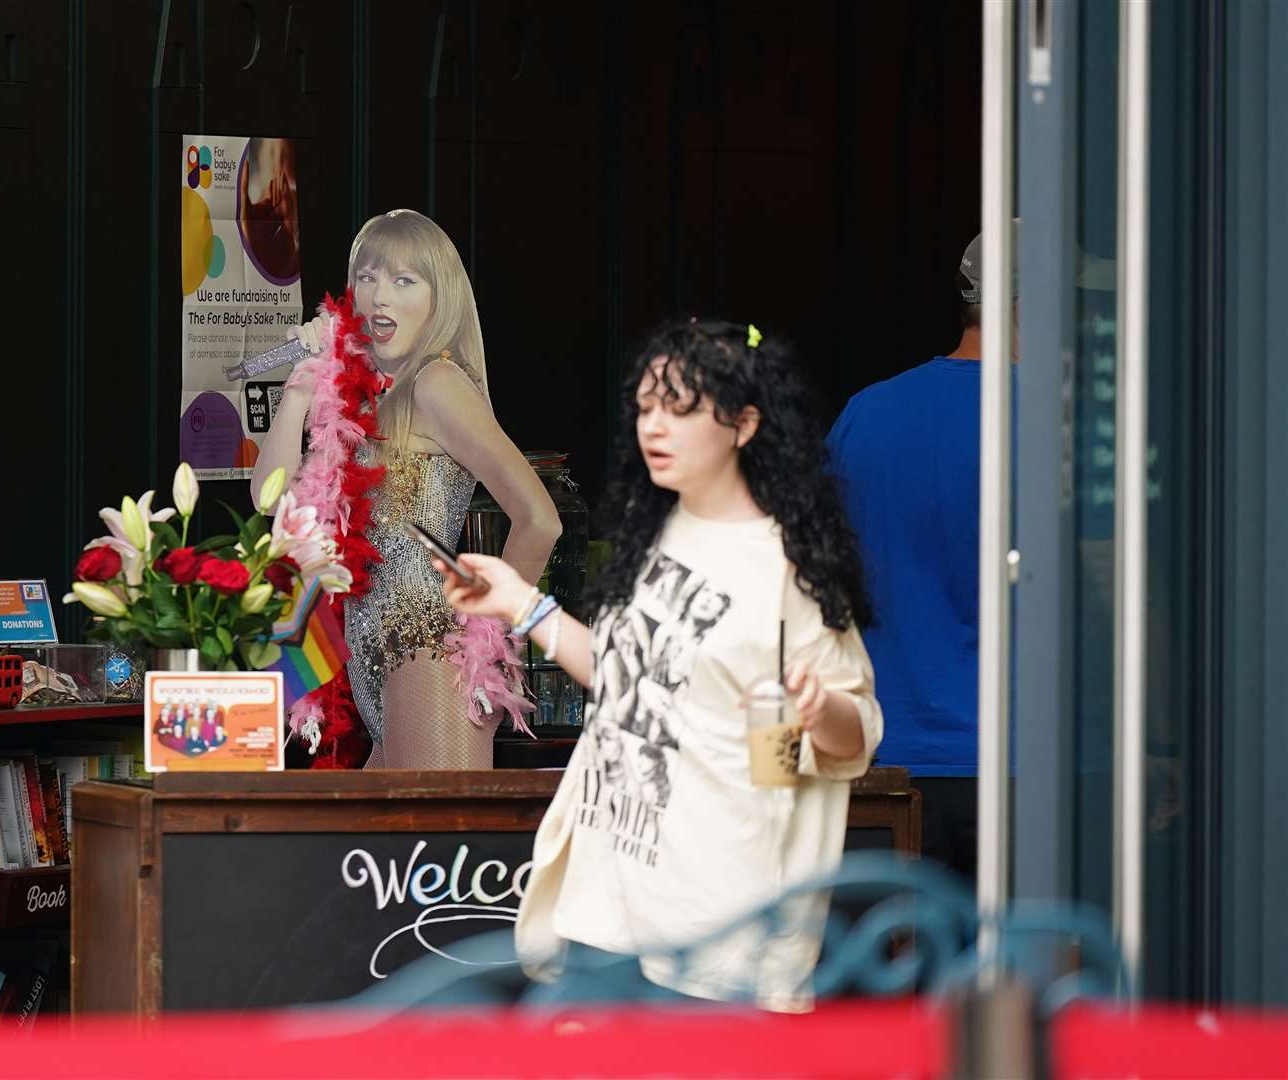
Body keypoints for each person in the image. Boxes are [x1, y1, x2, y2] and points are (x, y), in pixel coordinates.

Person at [435, 318, 881, 1010]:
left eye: (678, 408)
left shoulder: (786, 570)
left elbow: (851, 742)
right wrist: (518, 602)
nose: (654, 427)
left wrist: (819, 710)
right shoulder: (661, 533)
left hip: (715, 933)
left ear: (743, 424)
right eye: (645, 407)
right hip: (604, 900)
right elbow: (623, 680)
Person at [253, 209, 560, 768]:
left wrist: (482, 638)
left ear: (438, 297)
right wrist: (300, 391)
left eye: (403, 280)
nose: (379, 298)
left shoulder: (437, 384)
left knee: (434, 851)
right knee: (377, 851)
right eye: (367, 277)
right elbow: (272, 502)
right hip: (374, 655)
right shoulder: (364, 396)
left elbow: (541, 519)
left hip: (427, 648)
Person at [823, 228, 1015, 882]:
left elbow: (811, 587)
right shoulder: (1067, 420)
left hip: (884, 762)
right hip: (1035, 773)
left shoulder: (863, 416)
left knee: (889, 974)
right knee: (1034, 980)